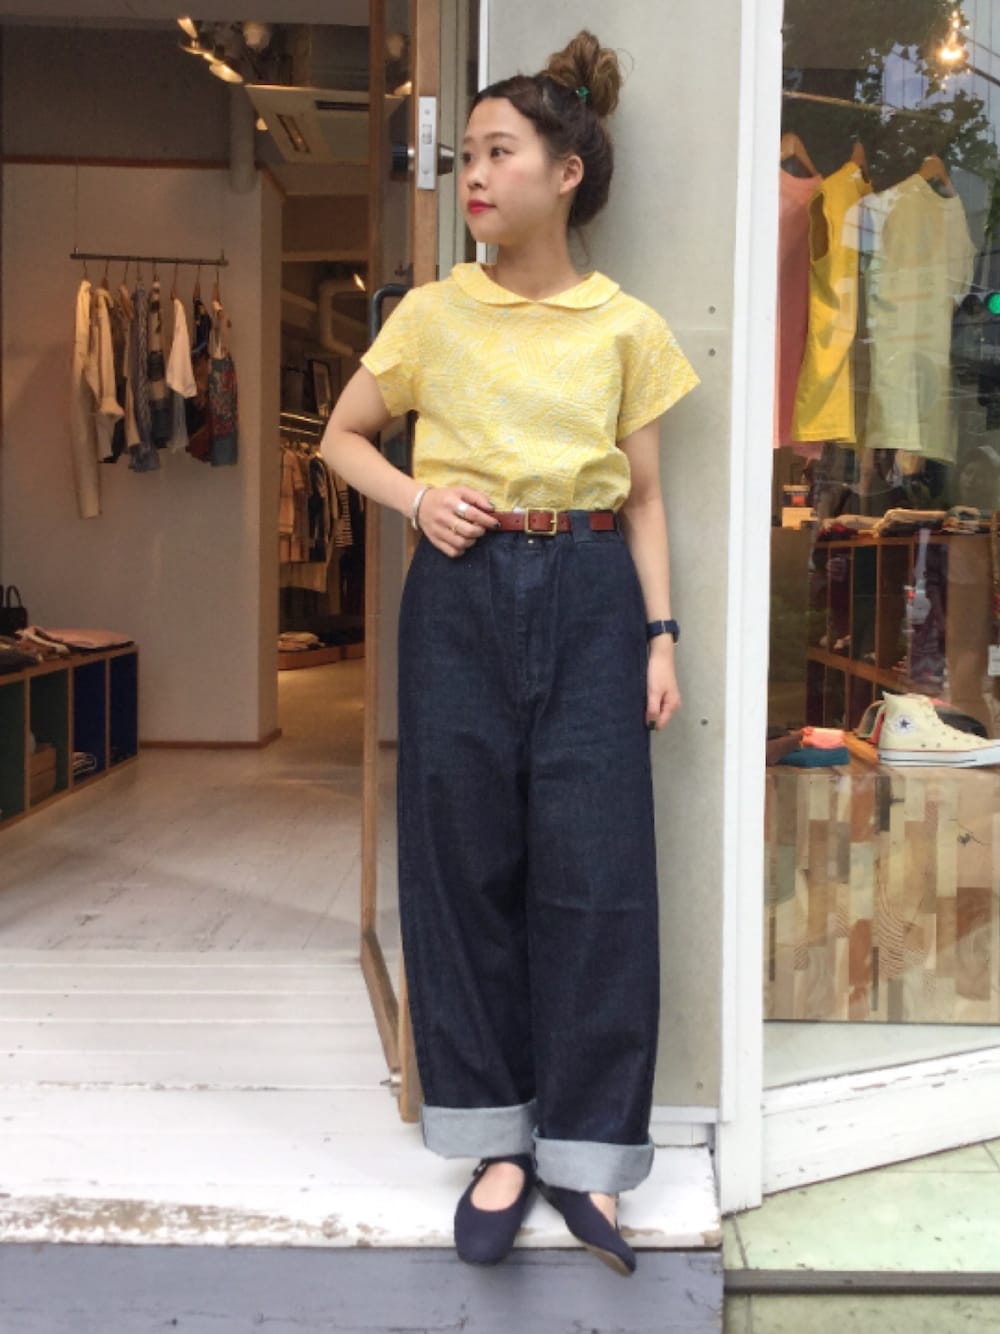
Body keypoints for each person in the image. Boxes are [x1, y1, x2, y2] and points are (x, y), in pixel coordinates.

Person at [322, 29, 698, 1277]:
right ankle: (492, 1141)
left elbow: (646, 497)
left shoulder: (625, 326)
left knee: (599, 871)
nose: (473, 176)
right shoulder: (431, 313)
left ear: (565, 172)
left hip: (591, 590)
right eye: (468, 156)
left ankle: (589, 1154)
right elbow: (341, 437)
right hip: (461, 591)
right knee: (460, 859)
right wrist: (416, 499)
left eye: (496, 153)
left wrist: (659, 635)